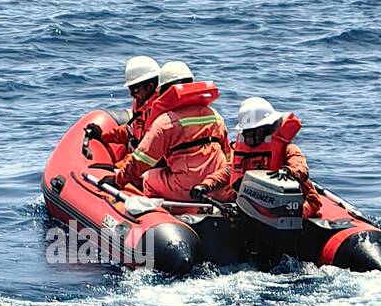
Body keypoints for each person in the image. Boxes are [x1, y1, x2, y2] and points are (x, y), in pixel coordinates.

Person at [111, 61, 231, 202]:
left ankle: (162, 216)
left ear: (163, 92)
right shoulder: (215, 115)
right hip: (217, 187)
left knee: (149, 178)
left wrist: (117, 181)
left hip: (187, 188)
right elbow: (228, 155)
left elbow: (141, 160)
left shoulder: (166, 122)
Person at [226, 97, 322, 214]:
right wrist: (207, 185)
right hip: (255, 201)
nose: (251, 138)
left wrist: (288, 172)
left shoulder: (287, 148)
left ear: (267, 129)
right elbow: (228, 170)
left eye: (255, 133)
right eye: (248, 134)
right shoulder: (241, 150)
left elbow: (300, 167)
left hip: (289, 202)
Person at [84, 55, 160, 153]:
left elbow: (148, 154)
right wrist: (102, 136)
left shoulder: (159, 114)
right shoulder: (142, 105)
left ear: (150, 87)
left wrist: (118, 168)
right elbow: (131, 131)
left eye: (135, 89)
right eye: (130, 89)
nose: (132, 94)